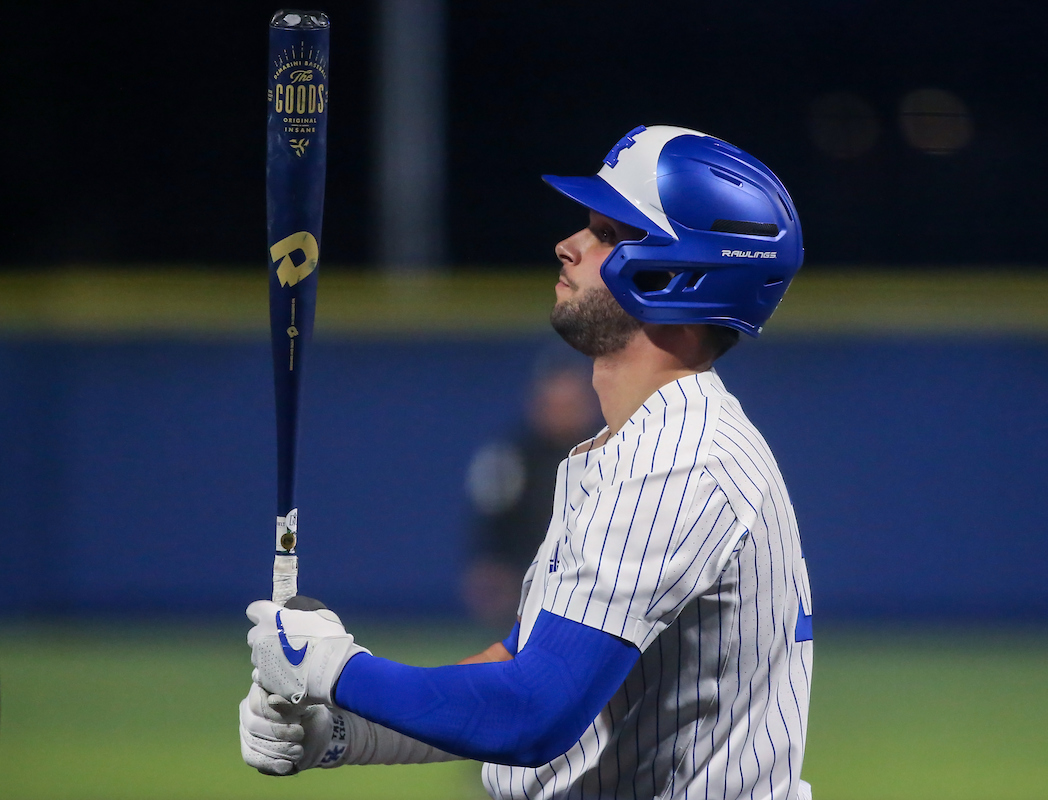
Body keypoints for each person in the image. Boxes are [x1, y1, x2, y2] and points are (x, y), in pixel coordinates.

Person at [240, 124, 815, 799]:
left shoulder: (680, 464)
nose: (568, 245)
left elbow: (531, 712)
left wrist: (336, 669)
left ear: (673, 273)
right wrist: (344, 732)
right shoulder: (644, 448)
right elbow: (515, 661)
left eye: (606, 231)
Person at [462, 350, 602, 628]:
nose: (562, 413)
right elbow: (492, 523)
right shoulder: (511, 455)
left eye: (571, 404)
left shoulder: (610, 451)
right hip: (524, 584)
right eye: (554, 404)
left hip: (593, 584)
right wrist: (488, 567)